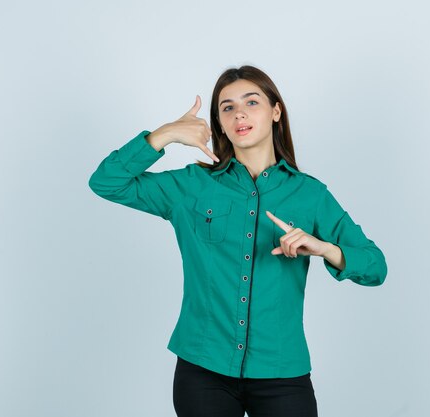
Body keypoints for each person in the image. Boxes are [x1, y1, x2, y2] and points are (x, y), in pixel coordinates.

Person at [88, 65, 388, 417]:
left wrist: (325, 249)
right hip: (203, 369)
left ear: (276, 112)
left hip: (281, 372)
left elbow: (375, 266)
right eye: (227, 107)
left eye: (251, 102)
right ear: (219, 122)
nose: (239, 113)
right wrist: (165, 134)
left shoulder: (310, 195)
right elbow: (106, 182)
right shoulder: (191, 186)